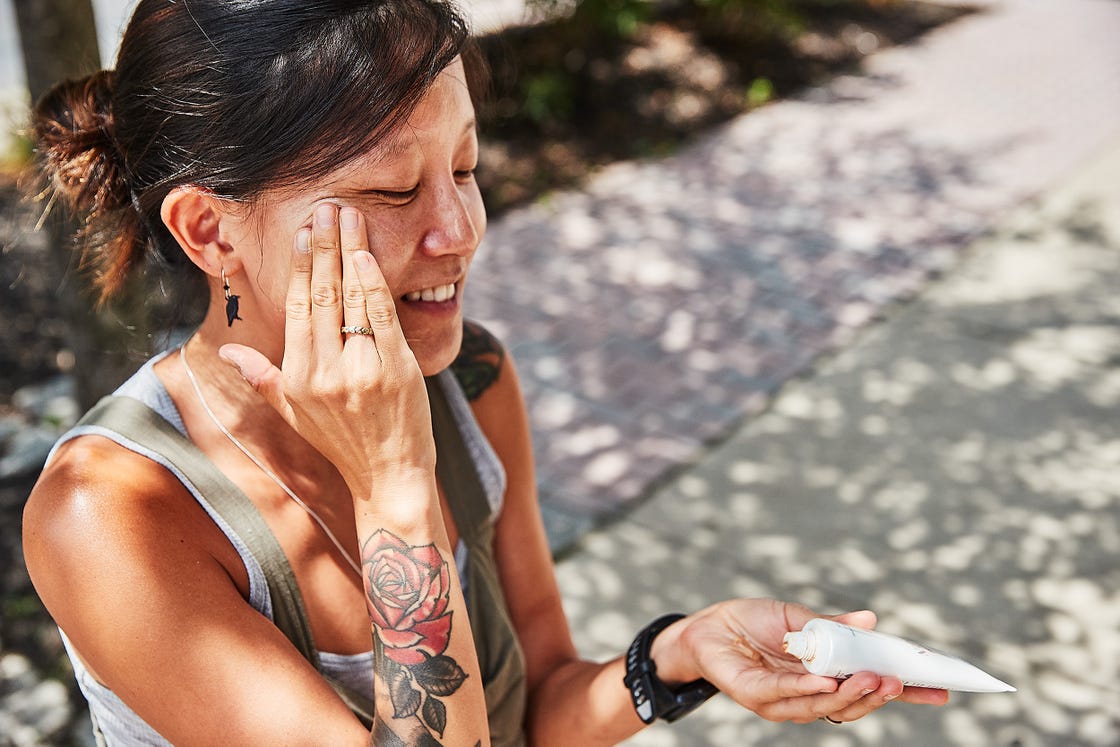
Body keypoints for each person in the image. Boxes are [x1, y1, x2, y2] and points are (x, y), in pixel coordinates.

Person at [21, 0, 949, 744]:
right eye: (391, 191)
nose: (459, 231)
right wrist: (393, 485)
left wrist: (680, 654)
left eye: (463, 168)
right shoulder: (111, 516)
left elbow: (536, 702)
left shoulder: (468, 384)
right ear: (209, 230)